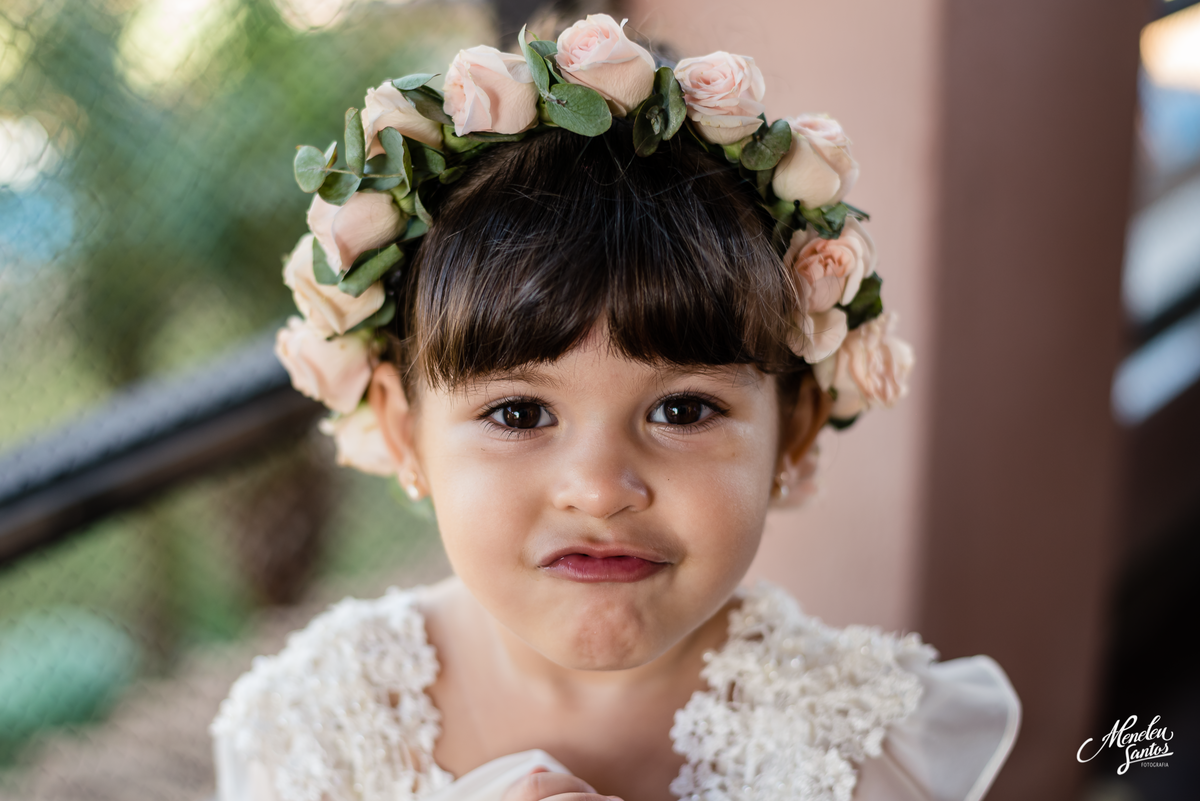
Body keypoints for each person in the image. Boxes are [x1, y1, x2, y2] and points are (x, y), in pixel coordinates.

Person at [211, 14, 1020, 801]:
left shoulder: (866, 744)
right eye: (520, 414)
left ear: (794, 432)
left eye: (683, 410)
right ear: (403, 430)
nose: (600, 491)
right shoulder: (312, 728)